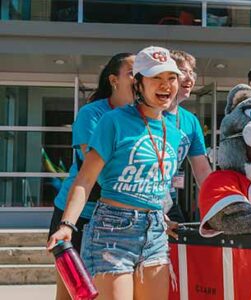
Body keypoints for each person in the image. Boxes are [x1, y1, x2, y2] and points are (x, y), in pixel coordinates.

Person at [47, 46, 183, 300]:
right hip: (112, 229)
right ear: (138, 83)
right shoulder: (113, 121)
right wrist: (67, 225)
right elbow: (85, 178)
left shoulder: (173, 132)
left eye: (171, 78)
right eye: (156, 78)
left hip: (154, 232)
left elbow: (157, 185)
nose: (166, 85)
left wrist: (164, 218)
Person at [47, 52, 135, 300]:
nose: (138, 78)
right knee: (73, 292)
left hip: (118, 219)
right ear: (114, 80)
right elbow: (96, 169)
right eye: (131, 72)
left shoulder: (141, 116)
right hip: (78, 216)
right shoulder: (92, 114)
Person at [164, 50, 212, 225]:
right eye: (183, 71)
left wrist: (217, 205)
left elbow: (202, 170)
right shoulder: (146, 114)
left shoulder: (190, 121)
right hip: (138, 203)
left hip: (169, 202)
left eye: (192, 73)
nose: (189, 78)